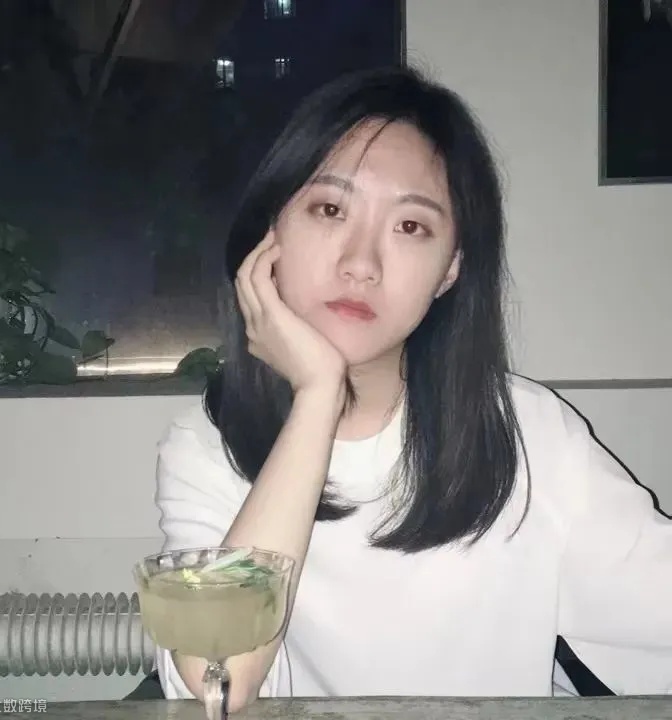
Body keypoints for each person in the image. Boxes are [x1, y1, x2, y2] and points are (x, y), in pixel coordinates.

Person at [153, 66, 672, 709]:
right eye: (330, 209)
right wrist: (318, 397)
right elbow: (220, 685)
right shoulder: (208, 449)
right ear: (270, 233)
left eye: (410, 227)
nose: (361, 263)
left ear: (450, 269)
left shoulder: (527, 433)